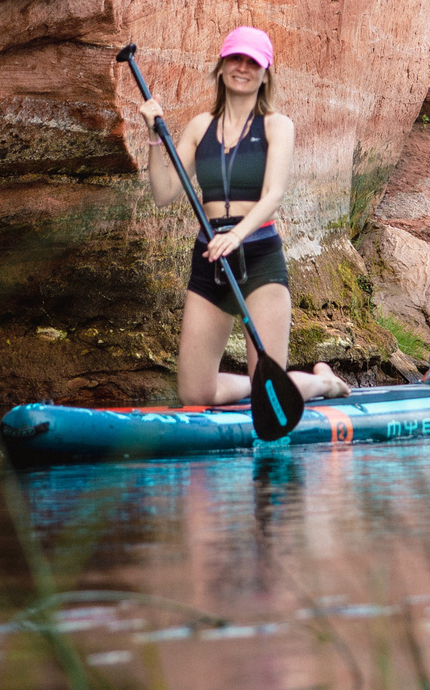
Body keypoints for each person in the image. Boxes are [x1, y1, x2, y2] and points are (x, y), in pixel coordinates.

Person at [136, 25, 350, 407]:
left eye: (252, 62)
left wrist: (237, 235)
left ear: (265, 73)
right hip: (211, 258)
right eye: (235, 58)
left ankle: (323, 383)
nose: (242, 67)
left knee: (269, 396)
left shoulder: (277, 126)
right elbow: (165, 193)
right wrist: (154, 138)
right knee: (194, 394)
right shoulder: (200, 126)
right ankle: (265, 385)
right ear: (221, 67)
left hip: (258, 256)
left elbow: (273, 195)